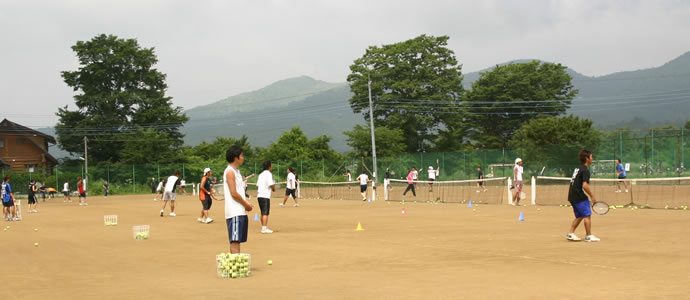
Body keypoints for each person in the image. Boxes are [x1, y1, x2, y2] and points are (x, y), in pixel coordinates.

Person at [223, 145, 254, 254]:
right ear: (236, 157)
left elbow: (239, 192)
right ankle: (235, 267)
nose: (243, 157)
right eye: (241, 155)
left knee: (237, 240)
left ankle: (235, 264)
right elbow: (234, 193)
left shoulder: (237, 172)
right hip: (234, 211)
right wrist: (246, 204)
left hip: (240, 211)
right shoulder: (230, 171)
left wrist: (246, 204)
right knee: (235, 240)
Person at [566, 149, 600, 242]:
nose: (592, 159)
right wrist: (592, 196)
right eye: (591, 157)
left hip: (572, 195)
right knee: (587, 215)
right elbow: (584, 185)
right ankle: (588, 235)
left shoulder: (578, 168)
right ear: (587, 158)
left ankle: (570, 233)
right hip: (578, 195)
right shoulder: (585, 170)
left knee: (580, 215)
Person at [256, 160, 276, 233]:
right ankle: (264, 228)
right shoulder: (268, 174)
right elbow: (270, 184)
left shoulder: (260, 174)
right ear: (269, 167)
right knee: (265, 212)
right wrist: (274, 189)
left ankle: (263, 226)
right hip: (265, 196)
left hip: (259, 195)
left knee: (262, 212)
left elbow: (257, 185)